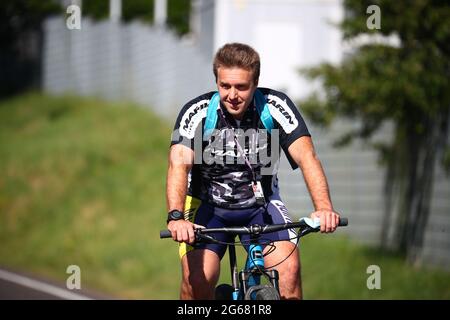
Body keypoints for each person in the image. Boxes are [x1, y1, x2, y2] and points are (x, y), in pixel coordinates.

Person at [166, 43, 340, 300]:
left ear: (256, 83)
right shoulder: (198, 113)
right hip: (208, 209)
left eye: (242, 87)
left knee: (289, 272)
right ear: (217, 82)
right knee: (198, 281)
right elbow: (178, 164)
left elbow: (307, 157)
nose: (232, 95)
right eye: (225, 86)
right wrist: (176, 216)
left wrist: (324, 207)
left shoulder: (275, 106)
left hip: (262, 207)